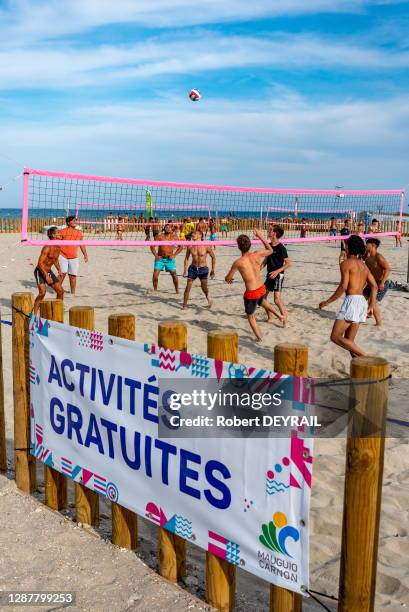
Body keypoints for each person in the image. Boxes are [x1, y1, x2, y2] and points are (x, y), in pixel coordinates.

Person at [319, 235, 377, 357]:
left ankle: (367, 357)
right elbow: (374, 286)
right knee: (350, 343)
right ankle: (362, 372)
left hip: (352, 301)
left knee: (335, 337)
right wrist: (371, 306)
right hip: (362, 302)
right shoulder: (364, 265)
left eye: (346, 244)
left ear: (348, 247)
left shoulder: (346, 264)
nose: (344, 246)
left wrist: (327, 302)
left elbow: (343, 286)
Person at [225, 229, 283, 341]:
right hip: (261, 288)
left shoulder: (238, 262)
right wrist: (261, 236)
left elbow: (228, 278)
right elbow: (271, 250)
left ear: (238, 247)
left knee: (250, 317)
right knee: (263, 302)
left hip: (251, 293)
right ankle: (279, 315)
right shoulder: (257, 254)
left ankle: (260, 338)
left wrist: (228, 279)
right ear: (250, 245)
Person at [262, 225, 291, 327]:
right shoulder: (269, 246)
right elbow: (266, 259)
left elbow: (288, 263)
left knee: (277, 300)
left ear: (274, 233)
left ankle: (285, 320)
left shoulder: (281, 248)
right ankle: (270, 316)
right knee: (262, 298)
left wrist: (277, 271)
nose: (268, 231)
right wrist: (260, 267)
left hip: (278, 275)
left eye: (270, 230)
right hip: (269, 274)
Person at [34, 227, 64, 315]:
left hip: (49, 271)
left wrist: (59, 270)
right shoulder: (47, 247)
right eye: (58, 232)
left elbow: (54, 260)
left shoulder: (58, 247)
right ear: (53, 235)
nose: (60, 234)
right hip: (40, 271)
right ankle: (35, 313)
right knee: (42, 293)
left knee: (60, 291)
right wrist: (46, 276)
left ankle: (57, 310)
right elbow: (40, 263)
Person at [183, 230, 216, 308]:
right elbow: (186, 259)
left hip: (203, 269)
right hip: (193, 268)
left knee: (204, 287)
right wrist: (185, 270)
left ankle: (208, 299)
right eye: (192, 233)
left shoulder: (206, 246)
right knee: (188, 287)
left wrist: (212, 270)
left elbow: (213, 257)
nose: (193, 234)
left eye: (195, 233)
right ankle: (184, 305)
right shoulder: (190, 246)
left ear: (200, 235)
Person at [364, 238, 392, 326]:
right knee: (361, 298)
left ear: (373, 245)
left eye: (367, 243)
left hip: (381, 282)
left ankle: (379, 323)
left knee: (372, 302)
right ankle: (363, 314)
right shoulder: (367, 257)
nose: (365, 245)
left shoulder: (378, 256)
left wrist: (382, 282)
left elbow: (388, 269)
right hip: (371, 283)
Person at [59, 215, 88, 296]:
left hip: (73, 257)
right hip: (62, 255)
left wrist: (85, 255)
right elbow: (56, 243)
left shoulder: (79, 232)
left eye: (75, 220)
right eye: (73, 220)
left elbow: (82, 245)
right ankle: (58, 289)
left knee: (73, 276)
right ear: (68, 222)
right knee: (62, 274)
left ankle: (72, 293)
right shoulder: (62, 231)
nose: (75, 221)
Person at [150, 224, 183, 293]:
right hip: (160, 258)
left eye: (169, 227)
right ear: (164, 229)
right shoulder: (160, 236)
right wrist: (156, 256)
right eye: (166, 227)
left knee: (174, 275)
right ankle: (155, 290)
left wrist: (174, 255)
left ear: (171, 229)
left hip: (170, 259)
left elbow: (181, 246)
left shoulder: (174, 237)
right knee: (155, 275)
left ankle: (177, 290)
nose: (168, 229)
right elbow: (152, 246)